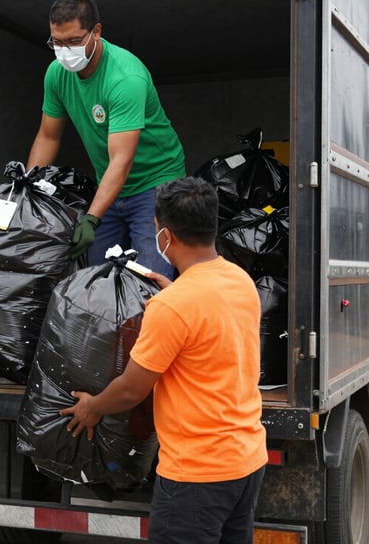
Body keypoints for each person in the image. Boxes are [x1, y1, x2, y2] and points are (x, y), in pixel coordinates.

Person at [60, 177, 267, 544]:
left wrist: (92, 407)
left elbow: (130, 390)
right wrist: (177, 295)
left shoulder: (171, 307)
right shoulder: (239, 280)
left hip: (196, 476)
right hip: (246, 462)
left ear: (165, 235)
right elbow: (208, 326)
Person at [27, 0, 185, 273]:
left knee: (150, 280)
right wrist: (29, 191)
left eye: (73, 41)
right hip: (109, 185)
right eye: (57, 42)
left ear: (96, 32)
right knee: (97, 279)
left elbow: (121, 161)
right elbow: (48, 136)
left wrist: (90, 219)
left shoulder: (125, 78)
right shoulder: (56, 74)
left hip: (155, 185)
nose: (64, 50)